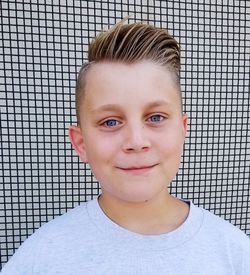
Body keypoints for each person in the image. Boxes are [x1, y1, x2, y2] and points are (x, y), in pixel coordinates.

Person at [2, 20, 250, 275]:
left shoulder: (235, 253)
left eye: (155, 117)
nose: (136, 141)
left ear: (182, 130)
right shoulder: (42, 257)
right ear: (81, 143)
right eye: (110, 121)